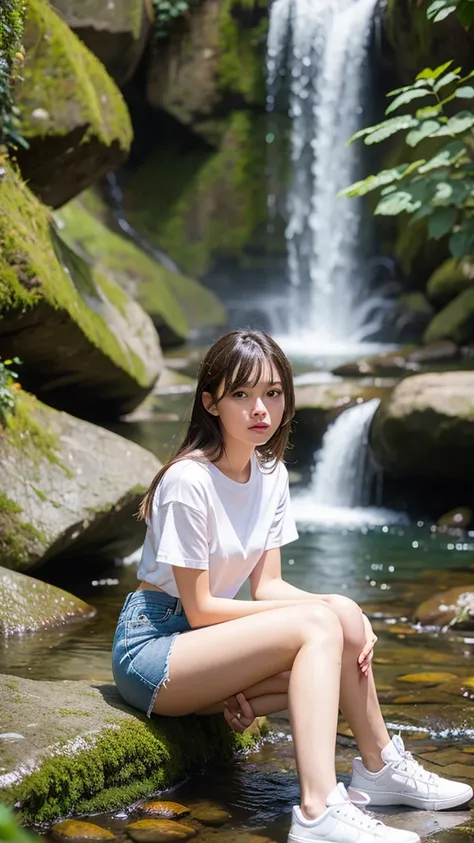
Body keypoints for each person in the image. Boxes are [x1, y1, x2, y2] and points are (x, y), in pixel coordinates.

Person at [112, 330, 472, 843]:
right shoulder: (187, 481)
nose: (261, 409)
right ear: (210, 402)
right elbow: (198, 608)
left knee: (340, 618)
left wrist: (345, 609)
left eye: (273, 393)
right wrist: (316, 620)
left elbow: (270, 588)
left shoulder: (270, 472)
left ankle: (379, 766)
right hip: (155, 646)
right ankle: (317, 810)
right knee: (319, 627)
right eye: (242, 394)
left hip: (206, 640)